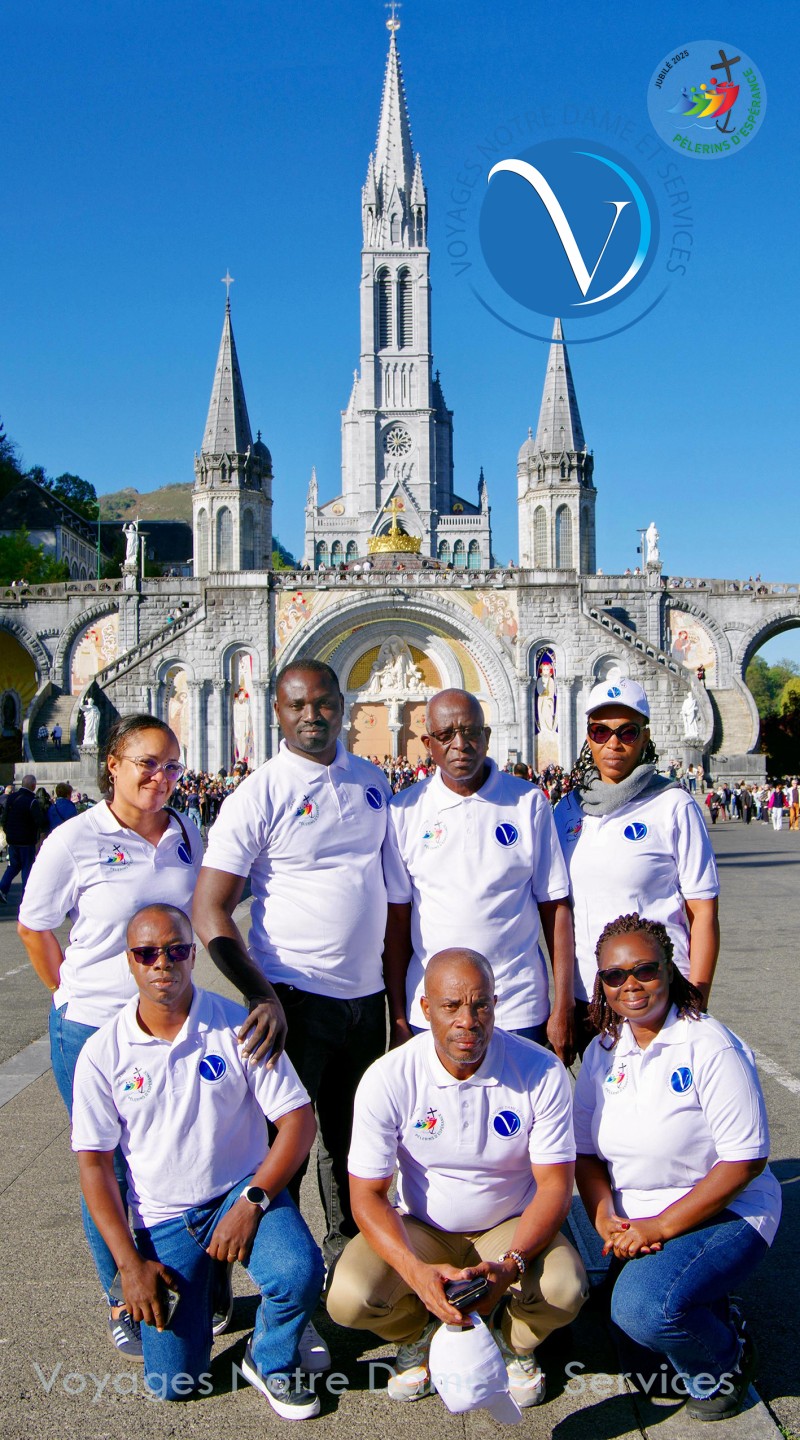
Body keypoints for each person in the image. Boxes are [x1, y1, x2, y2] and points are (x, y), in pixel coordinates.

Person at [71, 903, 324, 1415]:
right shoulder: (102, 1053)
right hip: (164, 1217)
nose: (162, 963)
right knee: (174, 1384)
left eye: (176, 950)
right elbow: (95, 1166)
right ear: (130, 961)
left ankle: (270, 1359)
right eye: (146, 953)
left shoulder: (238, 1025)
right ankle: (205, 1287)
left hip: (237, 1191)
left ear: (192, 955)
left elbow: (299, 1122)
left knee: (299, 1272)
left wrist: (254, 1200)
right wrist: (129, 1264)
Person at [193, 660, 392, 1273]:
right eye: (297, 704)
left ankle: (354, 1266)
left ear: (343, 704)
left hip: (368, 997)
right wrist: (261, 995)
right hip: (294, 996)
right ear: (275, 711)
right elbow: (210, 908)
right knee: (284, 1147)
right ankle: (270, 1276)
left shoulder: (371, 779)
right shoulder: (261, 792)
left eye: (324, 702)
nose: (312, 715)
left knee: (354, 1141)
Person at [17, 715, 204, 1357]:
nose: (161, 777)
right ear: (113, 765)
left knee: (170, 1155)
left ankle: (181, 1274)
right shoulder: (75, 839)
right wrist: (69, 992)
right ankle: (121, 1295)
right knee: (109, 1165)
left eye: (172, 765)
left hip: (170, 1024)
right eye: (147, 763)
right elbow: (35, 926)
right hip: (95, 1029)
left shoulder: (186, 831)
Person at [327, 948, 587, 1408]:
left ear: (495, 1004)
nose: (468, 1020)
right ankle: (421, 1333)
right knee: (348, 1298)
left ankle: (514, 1342)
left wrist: (511, 1266)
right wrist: (417, 1273)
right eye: (451, 1006)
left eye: (481, 1004)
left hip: (508, 1224)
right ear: (425, 1009)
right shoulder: (388, 1077)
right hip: (422, 1227)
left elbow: (554, 1186)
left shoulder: (540, 1070)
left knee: (566, 1290)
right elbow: (366, 1195)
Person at [574, 913, 780, 1421]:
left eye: (644, 969)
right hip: (638, 1221)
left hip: (725, 1211)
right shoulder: (604, 1050)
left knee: (646, 1310)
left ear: (669, 970)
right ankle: (706, 1304)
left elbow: (745, 1161)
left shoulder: (709, 1044)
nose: (630, 985)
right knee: (645, 1369)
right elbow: (585, 1153)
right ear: (600, 983)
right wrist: (602, 1212)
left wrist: (659, 1227)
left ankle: (726, 1363)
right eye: (614, 976)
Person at [382, 689, 575, 1061]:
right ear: (428, 743)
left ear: (487, 738)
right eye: (446, 735)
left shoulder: (528, 802)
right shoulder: (403, 811)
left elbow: (556, 907)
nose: (460, 745)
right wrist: (400, 1016)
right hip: (435, 1010)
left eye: (471, 733)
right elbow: (398, 920)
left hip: (517, 1006)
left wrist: (562, 1004)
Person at [554, 678, 719, 1052]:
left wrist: (699, 999)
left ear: (645, 738)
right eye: (601, 731)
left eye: (627, 733)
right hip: (589, 993)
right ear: (589, 738)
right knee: (599, 1107)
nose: (613, 743)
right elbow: (559, 908)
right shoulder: (566, 809)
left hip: (657, 991)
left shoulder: (673, 805)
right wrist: (562, 999)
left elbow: (703, 911)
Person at [0, 774, 44, 903]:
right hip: (26, 840)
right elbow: (39, 821)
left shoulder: (12, 798)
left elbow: (4, 818)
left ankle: (2, 888)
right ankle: (27, 896)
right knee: (26, 868)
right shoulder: (32, 801)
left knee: (13, 866)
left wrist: (8, 832)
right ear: (33, 786)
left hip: (12, 839)